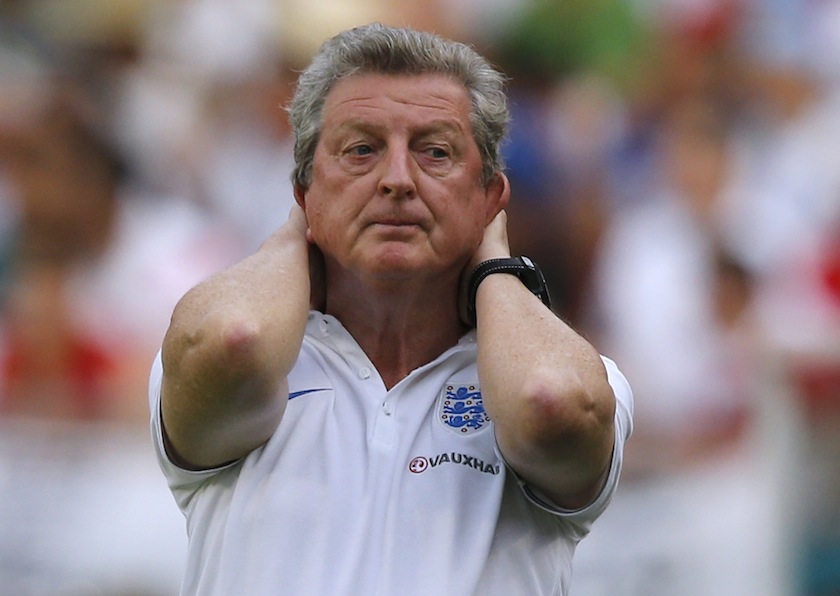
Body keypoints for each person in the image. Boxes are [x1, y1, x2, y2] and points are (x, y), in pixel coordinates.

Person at [149, 22, 633, 596]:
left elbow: (548, 400)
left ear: (490, 198)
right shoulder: (246, 348)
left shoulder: (564, 370)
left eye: (435, 152)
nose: (398, 180)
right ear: (305, 192)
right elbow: (234, 340)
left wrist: (496, 265)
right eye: (361, 150)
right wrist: (291, 237)